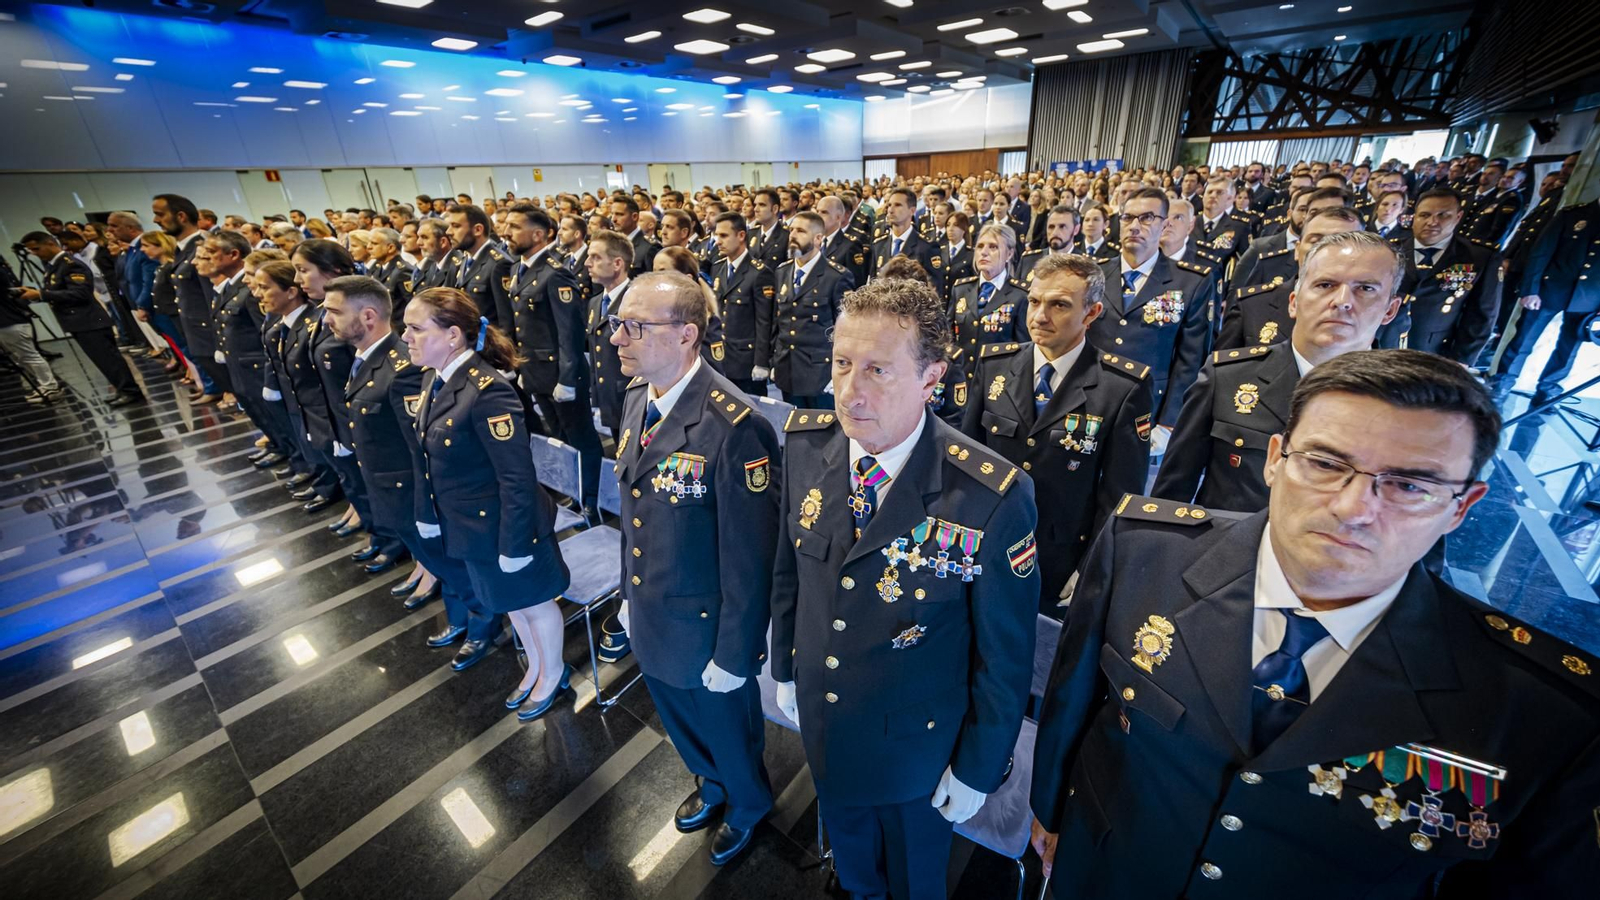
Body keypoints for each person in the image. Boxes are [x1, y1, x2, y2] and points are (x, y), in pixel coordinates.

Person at [1031, 348, 1600, 897]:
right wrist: (1050, 818)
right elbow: (1074, 709)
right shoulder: (1143, 552)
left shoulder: (1541, 707)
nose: (1354, 507)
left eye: (1409, 485)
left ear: (1462, 506)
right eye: (1327, 463)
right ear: (1275, 458)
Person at [770, 277, 1039, 900]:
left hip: (918, 749)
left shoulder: (988, 495)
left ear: (931, 378)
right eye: (841, 363)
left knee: (918, 882)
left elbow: (1004, 656)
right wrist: (786, 664)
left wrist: (977, 767)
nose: (849, 390)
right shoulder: (808, 445)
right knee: (854, 866)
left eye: (877, 370)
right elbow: (791, 572)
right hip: (825, 719)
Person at [607, 270, 781, 865]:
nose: (617, 339)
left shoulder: (735, 426)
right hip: (653, 605)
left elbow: (752, 559)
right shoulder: (637, 398)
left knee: (730, 731)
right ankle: (710, 784)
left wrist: (735, 654)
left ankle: (750, 805)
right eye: (617, 323)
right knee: (680, 722)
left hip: (708, 625)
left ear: (687, 335)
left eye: (634, 326)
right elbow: (637, 511)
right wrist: (629, 598)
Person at [403, 287, 575, 696]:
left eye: (415, 328)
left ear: (453, 335)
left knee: (534, 602)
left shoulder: (487, 391)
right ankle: (536, 666)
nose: (406, 337)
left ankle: (553, 673)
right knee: (511, 603)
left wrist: (515, 545)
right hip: (473, 528)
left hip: (507, 527)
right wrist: (427, 513)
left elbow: (516, 478)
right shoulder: (437, 380)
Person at [1156, 231, 1404, 512]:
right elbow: (1170, 497)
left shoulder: (1407, 407)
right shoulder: (1227, 378)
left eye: (1365, 288)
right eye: (1325, 284)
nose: (1342, 300)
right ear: (1294, 301)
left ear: (1390, 310)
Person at [961, 253, 1152, 614]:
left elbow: (1120, 495)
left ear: (1092, 313)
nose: (1039, 316)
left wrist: (1092, 566)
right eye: (1034, 301)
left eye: (1059, 305)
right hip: (984, 544)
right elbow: (967, 460)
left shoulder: (1120, 387)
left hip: (1059, 556)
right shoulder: (994, 365)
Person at [495, 203, 601, 510]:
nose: (506, 232)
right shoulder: (519, 269)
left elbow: (569, 331)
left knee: (579, 437)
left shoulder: (555, 273)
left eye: (514, 227)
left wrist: (568, 378)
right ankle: (574, 489)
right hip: (536, 371)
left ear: (539, 234)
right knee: (559, 436)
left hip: (560, 374)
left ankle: (592, 496)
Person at [1093, 188, 1214, 447]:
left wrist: (1169, 422)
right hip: (1091, 400)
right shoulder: (1095, 273)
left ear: (1164, 224)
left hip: (1147, 409)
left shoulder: (1190, 281)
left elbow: (1190, 360)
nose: (1135, 226)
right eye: (1128, 218)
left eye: (1147, 218)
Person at [289, 241, 372, 552]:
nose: (298, 281)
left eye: (303, 270)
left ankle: (389, 538)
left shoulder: (355, 311)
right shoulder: (319, 312)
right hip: (335, 417)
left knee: (373, 484)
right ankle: (372, 524)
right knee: (354, 479)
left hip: (358, 417)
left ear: (333, 270)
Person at [1375, 189, 1501, 365]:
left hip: (1435, 351)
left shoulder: (1479, 257)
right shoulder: (1388, 249)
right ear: (1414, 217)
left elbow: (1482, 315)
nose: (1432, 222)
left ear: (1458, 217)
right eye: (1424, 215)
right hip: (1381, 343)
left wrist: (1462, 360)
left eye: (1443, 215)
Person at [17, 232, 144, 406]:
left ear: (50, 243)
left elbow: (80, 292)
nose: (35, 253)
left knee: (110, 359)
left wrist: (41, 294)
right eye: (31, 250)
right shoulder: (53, 266)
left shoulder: (70, 264)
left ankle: (131, 391)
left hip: (89, 321)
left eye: (37, 248)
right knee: (102, 361)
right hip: (79, 322)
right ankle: (122, 388)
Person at [1216, 207, 1369, 351]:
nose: (1326, 251)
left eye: (1342, 243)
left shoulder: (1375, 310)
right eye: (1316, 241)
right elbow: (1223, 373)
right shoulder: (1252, 305)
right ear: (1297, 249)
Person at [1494, 199, 1600, 405]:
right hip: (1549, 290)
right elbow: (1541, 252)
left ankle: (1548, 390)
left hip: (1589, 298)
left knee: (1568, 349)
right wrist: (1530, 290)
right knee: (1523, 340)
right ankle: (1502, 382)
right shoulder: (1572, 214)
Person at [771, 210, 853, 409]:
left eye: (800, 231)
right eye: (791, 230)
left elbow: (847, 330)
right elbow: (777, 321)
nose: (792, 236)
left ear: (818, 238)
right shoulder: (782, 271)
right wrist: (773, 360)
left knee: (822, 433)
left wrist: (842, 370)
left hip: (820, 373)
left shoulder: (836, 276)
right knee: (793, 429)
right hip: (788, 367)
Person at [152, 193, 225, 403]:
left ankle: (225, 392)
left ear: (181, 216)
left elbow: (212, 295)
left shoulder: (202, 248)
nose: (156, 220)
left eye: (160, 214)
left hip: (208, 328)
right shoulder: (181, 249)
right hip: (195, 327)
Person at [948, 223, 1029, 383]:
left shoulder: (1020, 295)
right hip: (962, 381)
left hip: (998, 383)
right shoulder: (961, 289)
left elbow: (1024, 350)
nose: (984, 252)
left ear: (1009, 254)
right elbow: (949, 336)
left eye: (993, 247)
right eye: (979, 247)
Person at [709, 211, 777, 397]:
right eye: (716, 235)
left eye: (723, 235)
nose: (717, 241)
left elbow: (764, 322)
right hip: (722, 357)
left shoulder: (759, 273)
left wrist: (761, 362)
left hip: (746, 360)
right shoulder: (718, 267)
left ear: (741, 236)